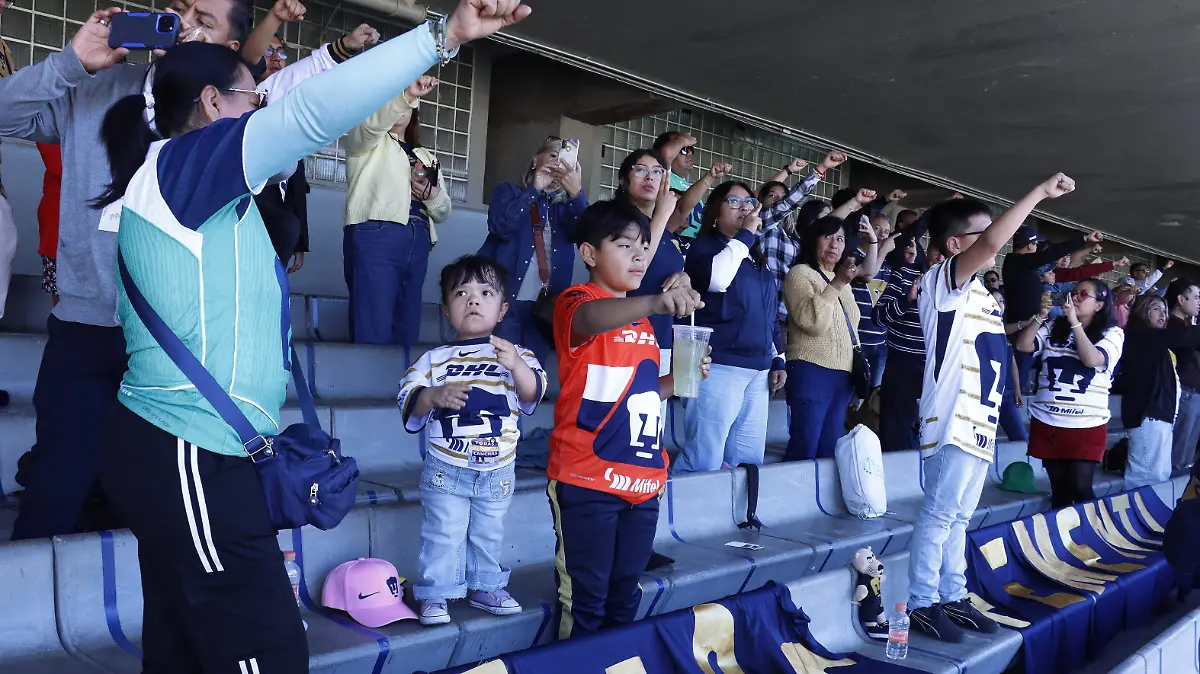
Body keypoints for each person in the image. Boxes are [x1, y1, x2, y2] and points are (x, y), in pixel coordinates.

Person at [91, 1, 530, 669]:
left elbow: (296, 107)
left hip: (190, 450)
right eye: (252, 97)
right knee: (262, 648)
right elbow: (305, 114)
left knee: (187, 646)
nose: (264, 108)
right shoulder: (181, 169)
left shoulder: (201, 191)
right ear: (213, 104)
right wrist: (442, 38)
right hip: (189, 451)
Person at [0, 0, 376, 541]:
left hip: (177, 349)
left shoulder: (232, 128)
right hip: (84, 328)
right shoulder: (95, 86)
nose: (184, 23)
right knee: (57, 483)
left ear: (228, 52)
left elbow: (309, 106)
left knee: (152, 499)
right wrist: (73, 61)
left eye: (204, 18)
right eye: (179, 8)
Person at [908, 174, 1076, 643]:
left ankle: (952, 595)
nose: (993, 242)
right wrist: (1039, 193)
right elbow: (997, 240)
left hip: (979, 420)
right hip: (951, 420)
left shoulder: (982, 292)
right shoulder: (943, 280)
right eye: (983, 234)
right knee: (940, 515)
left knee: (959, 518)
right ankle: (922, 601)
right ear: (955, 243)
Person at [548, 198, 707, 639]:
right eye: (624, 246)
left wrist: (675, 382)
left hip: (642, 482)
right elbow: (592, 319)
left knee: (624, 599)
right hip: (587, 479)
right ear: (589, 254)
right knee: (585, 601)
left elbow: (636, 393)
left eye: (643, 248)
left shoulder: (641, 324)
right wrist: (654, 302)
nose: (638, 256)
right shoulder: (578, 301)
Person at [398, 255, 546, 625]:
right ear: (447, 310)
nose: (473, 300)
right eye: (461, 293)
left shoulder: (518, 355)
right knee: (442, 531)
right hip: (446, 467)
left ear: (502, 308)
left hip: (498, 468)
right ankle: (435, 592)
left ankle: (485, 586)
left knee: (488, 531)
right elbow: (409, 399)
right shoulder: (433, 360)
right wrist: (432, 397)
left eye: (485, 293)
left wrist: (516, 365)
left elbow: (532, 395)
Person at [676, 181, 786, 473]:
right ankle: (688, 517)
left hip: (758, 368)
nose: (744, 208)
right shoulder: (706, 247)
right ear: (715, 211)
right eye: (734, 202)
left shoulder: (754, 256)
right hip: (718, 364)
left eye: (749, 202)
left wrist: (779, 358)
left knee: (748, 459)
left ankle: (738, 517)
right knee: (704, 457)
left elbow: (769, 313)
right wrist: (747, 233)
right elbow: (717, 280)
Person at [343, 74, 449, 347]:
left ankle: (400, 388)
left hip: (419, 233)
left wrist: (431, 194)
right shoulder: (366, 140)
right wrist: (406, 94)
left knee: (407, 321)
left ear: (414, 111)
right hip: (379, 229)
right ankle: (365, 387)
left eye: (405, 102)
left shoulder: (427, 156)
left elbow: (443, 210)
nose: (399, 107)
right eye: (394, 100)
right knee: (373, 319)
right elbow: (372, 125)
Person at [477, 136, 587, 361]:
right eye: (554, 157)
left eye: (566, 161)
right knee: (498, 372)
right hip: (504, 302)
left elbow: (588, 236)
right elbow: (501, 226)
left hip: (544, 309)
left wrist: (577, 194)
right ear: (536, 160)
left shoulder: (565, 208)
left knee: (533, 376)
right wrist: (535, 189)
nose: (559, 165)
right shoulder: (509, 192)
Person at [1015, 279, 1122, 509]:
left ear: (1099, 305)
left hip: (1086, 423)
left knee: (1081, 486)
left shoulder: (1112, 333)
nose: (1074, 298)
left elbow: (1092, 359)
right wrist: (1040, 316)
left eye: (1083, 295)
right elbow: (1023, 346)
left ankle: (1093, 535)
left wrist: (1074, 322)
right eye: (1073, 293)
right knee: (1059, 488)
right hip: (1048, 420)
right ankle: (1061, 541)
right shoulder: (1054, 326)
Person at [782, 215, 862, 460]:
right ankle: (791, 497)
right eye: (827, 237)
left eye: (840, 239)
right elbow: (812, 322)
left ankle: (815, 499)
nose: (834, 244)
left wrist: (858, 379)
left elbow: (852, 331)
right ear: (813, 240)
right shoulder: (800, 274)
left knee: (828, 447)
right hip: (811, 370)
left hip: (842, 376)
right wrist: (836, 283)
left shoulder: (843, 283)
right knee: (805, 445)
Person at [1001, 225, 1099, 396]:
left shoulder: (1023, 266)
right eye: (1036, 244)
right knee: (1015, 382)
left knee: (1025, 378)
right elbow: (1052, 255)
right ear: (1030, 246)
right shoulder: (1016, 261)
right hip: (1022, 328)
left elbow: (1065, 265)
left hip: (1034, 325)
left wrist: (1087, 249)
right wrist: (1083, 240)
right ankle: (1009, 403)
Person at [1119, 293, 1200, 489]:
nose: (1163, 314)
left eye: (1164, 310)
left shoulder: (1156, 341)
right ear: (1141, 311)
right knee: (1145, 478)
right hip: (1147, 415)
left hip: (1160, 416)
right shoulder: (1140, 335)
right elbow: (1184, 335)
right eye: (1156, 308)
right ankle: (1136, 518)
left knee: (1159, 476)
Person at [618, 149, 685, 365]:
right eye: (640, 170)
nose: (650, 177)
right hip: (626, 337)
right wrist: (663, 214)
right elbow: (636, 267)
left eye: (657, 172)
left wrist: (684, 279)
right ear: (623, 181)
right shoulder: (614, 220)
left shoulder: (663, 231)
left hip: (662, 338)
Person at [874, 234, 927, 451]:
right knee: (895, 436)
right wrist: (907, 300)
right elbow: (878, 318)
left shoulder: (962, 285)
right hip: (902, 364)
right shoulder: (905, 275)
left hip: (941, 368)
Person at [1167, 278, 1200, 472]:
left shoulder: (1186, 327)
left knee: (1186, 457)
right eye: (1196, 297)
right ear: (1181, 299)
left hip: (1192, 393)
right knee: (1178, 458)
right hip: (1185, 393)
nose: (1199, 302)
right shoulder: (1172, 326)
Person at [36, 143, 62, 302]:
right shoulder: (57, 122)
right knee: (60, 288)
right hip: (59, 221)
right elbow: (59, 166)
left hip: (107, 220)